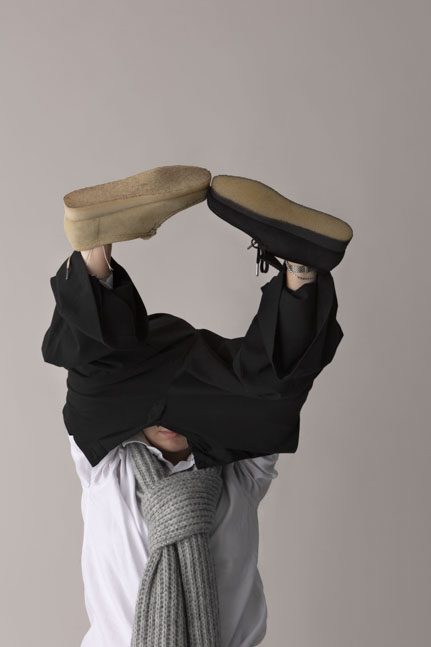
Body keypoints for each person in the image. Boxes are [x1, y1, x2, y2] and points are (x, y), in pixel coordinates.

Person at [41, 166, 352, 646]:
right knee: (266, 399)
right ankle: (96, 253)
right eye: (161, 419)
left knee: (261, 402)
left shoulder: (238, 471)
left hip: (196, 400)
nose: (171, 422)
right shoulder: (107, 467)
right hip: (149, 391)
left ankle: (298, 263)